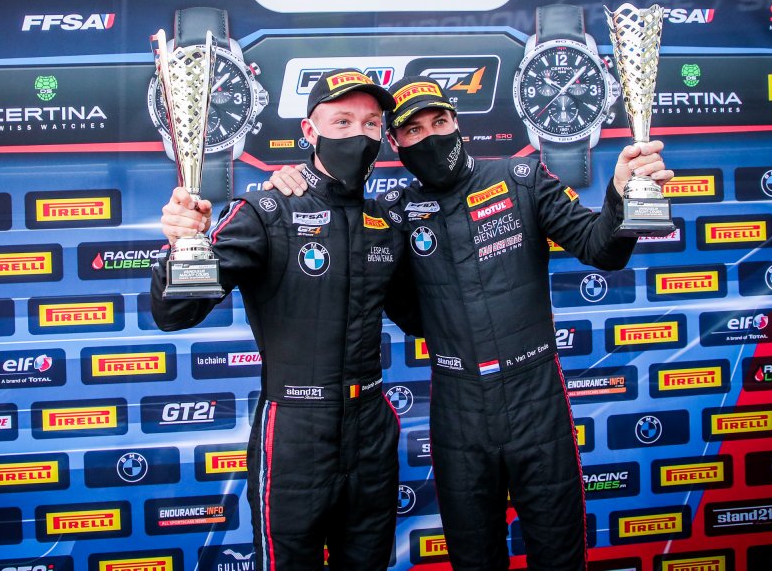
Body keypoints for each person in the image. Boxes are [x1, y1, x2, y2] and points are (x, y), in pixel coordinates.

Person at [267, 76, 673, 571]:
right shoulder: (395, 214)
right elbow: (352, 251)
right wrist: (291, 185)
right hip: (457, 409)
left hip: (535, 397)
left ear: (457, 124)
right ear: (395, 142)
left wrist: (621, 193)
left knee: (559, 555)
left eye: (439, 122)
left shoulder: (522, 178)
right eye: (413, 130)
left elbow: (601, 248)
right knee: (473, 559)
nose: (430, 136)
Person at [150, 69, 417, 571]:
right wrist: (182, 247)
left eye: (371, 124)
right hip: (295, 430)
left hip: (371, 428)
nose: (359, 134)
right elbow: (176, 311)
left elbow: (422, 318)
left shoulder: (386, 221)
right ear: (310, 132)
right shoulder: (266, 210)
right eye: (342, 121)